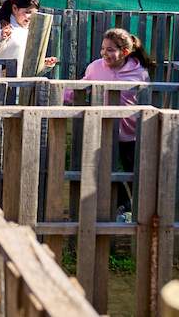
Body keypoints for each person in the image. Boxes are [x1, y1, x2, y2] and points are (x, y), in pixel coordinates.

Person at [67, 28, 151, 217]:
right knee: (105, 167)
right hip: (104, 129)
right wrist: (62, 94)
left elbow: (145, 99)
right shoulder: (96, 67)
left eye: (110, 49)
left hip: (132, 132)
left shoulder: (139, 72)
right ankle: (121, 203)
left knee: (133, 171)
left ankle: (138, 209)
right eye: (103, 48)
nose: (105, 53)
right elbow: (82, 87)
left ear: (125, 52)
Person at [0, 0, 57, 79]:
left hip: (22, 88)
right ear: (15, 8)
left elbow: (26, 66)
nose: (30, 17)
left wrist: (43, 65)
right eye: (27, 12)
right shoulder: (2, 24)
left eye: (34, 13)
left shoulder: (29, 30)